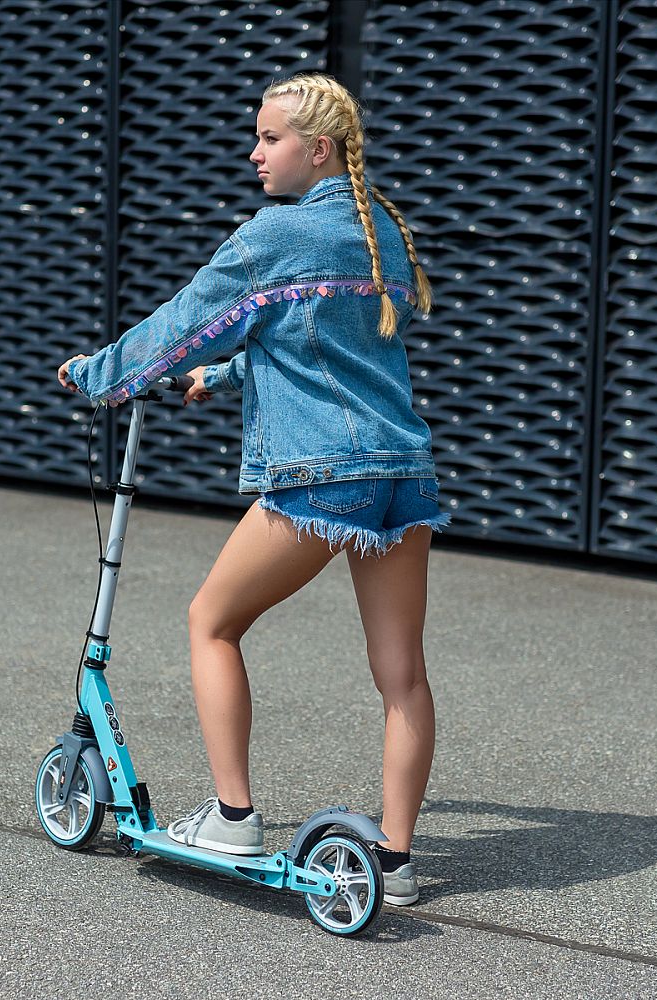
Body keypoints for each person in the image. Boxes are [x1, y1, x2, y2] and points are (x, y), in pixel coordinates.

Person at [57, 72, 449, 906]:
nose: (254, 153)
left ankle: (233, 816)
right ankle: (395, 863)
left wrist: (100, 377)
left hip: (321, 479)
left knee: (213, 622)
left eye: (271, 138)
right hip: (402, 477)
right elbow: (336, 346)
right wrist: (230, 374)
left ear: (319, 148)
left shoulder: (274, 235)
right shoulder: (381, 229)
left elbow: (182, 324)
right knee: (403, 677)